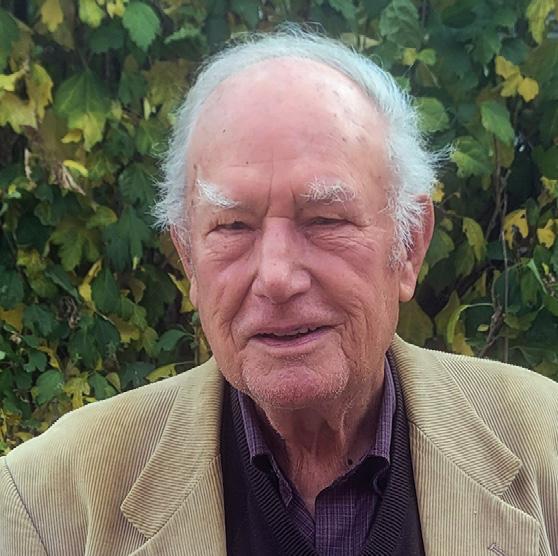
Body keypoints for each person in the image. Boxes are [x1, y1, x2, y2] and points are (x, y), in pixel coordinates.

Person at [1, 28, 557, 556]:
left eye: (325, 220)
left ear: (409, 245)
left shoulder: (544, 446)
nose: (276, 277)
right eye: (232, 227)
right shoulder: (45, 503)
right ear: (189, 258)